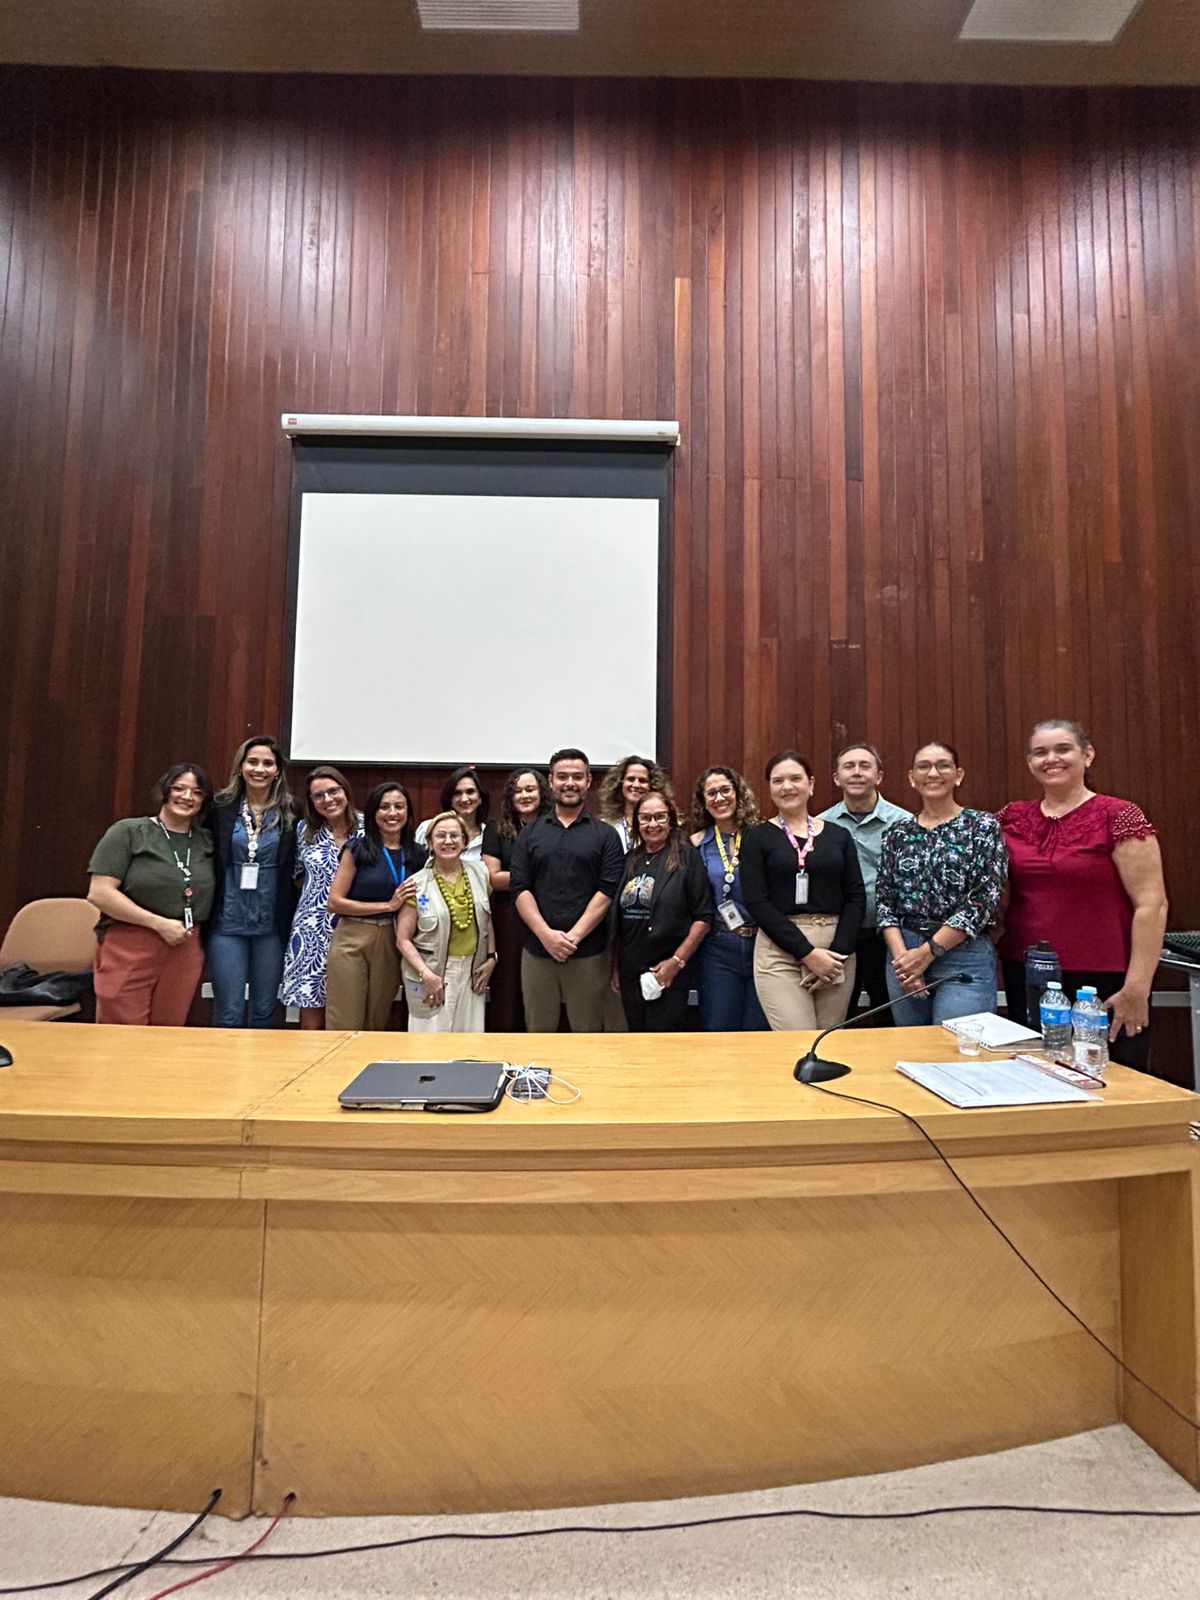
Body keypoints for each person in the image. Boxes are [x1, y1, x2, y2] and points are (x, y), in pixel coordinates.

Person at [997, 719, 1168, 1070]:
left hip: (1104, 980)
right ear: (1029, 762)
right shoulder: (1011, 817)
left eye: (1063, 749)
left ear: (1087, 755)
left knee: (1114, 1082)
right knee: (1034, 1078)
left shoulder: (1119, 815)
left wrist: (1138, 987)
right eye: (1040, 752)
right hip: (1029, 975)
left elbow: (1153, 904)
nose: (1051, 759)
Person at [875, 741, 1008, 1025]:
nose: (933, 773)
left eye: (942, 765)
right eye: (924, 767)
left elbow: (983, 899)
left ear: (958, 775)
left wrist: (928, 953)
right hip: (904, 954)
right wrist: (904, 962)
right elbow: (885, 902)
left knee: (956, 1054)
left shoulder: (982, 827)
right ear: (912, 777)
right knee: (912, 1055)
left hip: (962, 955)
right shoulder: (896, 833)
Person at [740, 751, 866, 1031]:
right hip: (780, 951)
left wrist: (836, 956)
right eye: (778, 781)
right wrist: (808, 954)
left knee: (829, 1043)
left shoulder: (838, 835)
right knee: (798, 1042)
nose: (787, 786)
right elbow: (757, 902)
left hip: (836, 952)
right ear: (769, 788)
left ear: (811, 784)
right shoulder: (756, 838)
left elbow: (856, 896)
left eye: (795, 778)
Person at [87, 764, 216, 1026]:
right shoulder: (128, 832)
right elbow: (99, 893)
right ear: (164, 791)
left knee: (168, 1032)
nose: (187, 797)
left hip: (185, 945)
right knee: (121, 1032)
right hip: (130, 942)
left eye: (197, 792)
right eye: (179, 788)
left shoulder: (206, 841)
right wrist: (157, 923)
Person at [509, 747, 625, 1032]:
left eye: (577, 777)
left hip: (588, 953)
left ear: (588, 782)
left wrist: (573, 937)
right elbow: (520, 888)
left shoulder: (605, 835)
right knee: (538, 1034)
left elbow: (607, 891)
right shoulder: (530, 833)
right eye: (562, 777)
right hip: (538, 951)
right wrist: (546, 936)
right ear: (551, 782)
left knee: (589, 1036)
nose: (569, 783)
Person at [209, 736, 300, 1028]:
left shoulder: (292, 810)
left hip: (271, 922)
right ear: (240, 767)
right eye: (253, 762)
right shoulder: (220, 807)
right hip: (227, 920)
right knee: (229, 1010)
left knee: (264, 1009)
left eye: (267, 763)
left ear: (277, 771)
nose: (259, 769)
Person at [817, 743, 911, 1018]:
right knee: (837, 1017)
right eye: (849, 766)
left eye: (864, 766)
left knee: (891, 1016)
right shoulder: (821, 826)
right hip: (839, 939)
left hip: (890, 940)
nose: (856, 773)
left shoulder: (903, 824)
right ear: (836, 778)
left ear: (879, 776)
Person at [325, 782, 425, 1031]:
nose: (392, 813)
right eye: (385, 807)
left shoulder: (418, 854)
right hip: (353, 937)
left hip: (393, 939)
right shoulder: (357, 849)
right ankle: (341, 1070)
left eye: (399, 807)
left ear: (408, 812)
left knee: (377, 1020)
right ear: (373, 813)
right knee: (345, 1021)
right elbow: (334, 902)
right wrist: (387, 905)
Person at [611, 791, 712, 1031]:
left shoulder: (687, 857)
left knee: (663, 1042)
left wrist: (676, 962)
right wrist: (615, 967)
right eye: (645, 818)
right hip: (630, 969)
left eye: (660, 817)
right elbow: (618, 920)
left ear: (671, 819)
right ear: (637, 823)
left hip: (668, 968)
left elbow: (703, 918)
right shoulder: (629, 860)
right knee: (635, 1038)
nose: (652, 824)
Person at [397, 811, 496, 1032]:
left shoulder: (480, 873)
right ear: (430, 842)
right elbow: (403, 940)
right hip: (434, 972)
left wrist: (491, 958)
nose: (448, 841)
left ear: (464, 842)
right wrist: (426, 975)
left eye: (455, 835)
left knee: (469, 1044)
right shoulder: (416, 884)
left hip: (473, 971)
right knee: (429, 1046)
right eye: (441, 836)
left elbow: (486, 920)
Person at [688, 765, 768, 1031]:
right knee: (719, 1028)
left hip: (763, 944)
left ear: (738, 793)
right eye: (711, 793)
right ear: (704, 802)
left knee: (758, 1031)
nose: (719, 798)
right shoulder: (698, 844)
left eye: (725, 790)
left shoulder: (762, 836)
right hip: (718, 947)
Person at [281, 766, 361, 1030]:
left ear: (345, 791)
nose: (328, 800)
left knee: (349, 1008)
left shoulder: (366, 827)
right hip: (311, 930)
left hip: (355, 927)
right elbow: (297, 874)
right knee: (311, 1009)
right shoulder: (305, 830)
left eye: (333, 791)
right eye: (319, 796)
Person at [480, 767, 552, 1031]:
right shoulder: (497, 829)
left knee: (542, 990)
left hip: (548, 916)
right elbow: (492, 878)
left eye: (530, 789)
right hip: (509, 918)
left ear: (542, 793)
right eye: (518, 791)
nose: (524, 795)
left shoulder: (554, 826)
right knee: (508, 990)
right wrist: (535, 877)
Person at [598, 755, 675, 854]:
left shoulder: (664, 823)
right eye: (630, 779)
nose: (636, 785)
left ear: (652, 785)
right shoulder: (605, 825)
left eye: (642, 781)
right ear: (620, 783)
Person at [415, 766, 489, 860]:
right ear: (450, 799)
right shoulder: (427, 828)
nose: (464, 799)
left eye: (470, 792)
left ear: (480, 798)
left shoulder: (488, 837)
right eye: (457, 793)